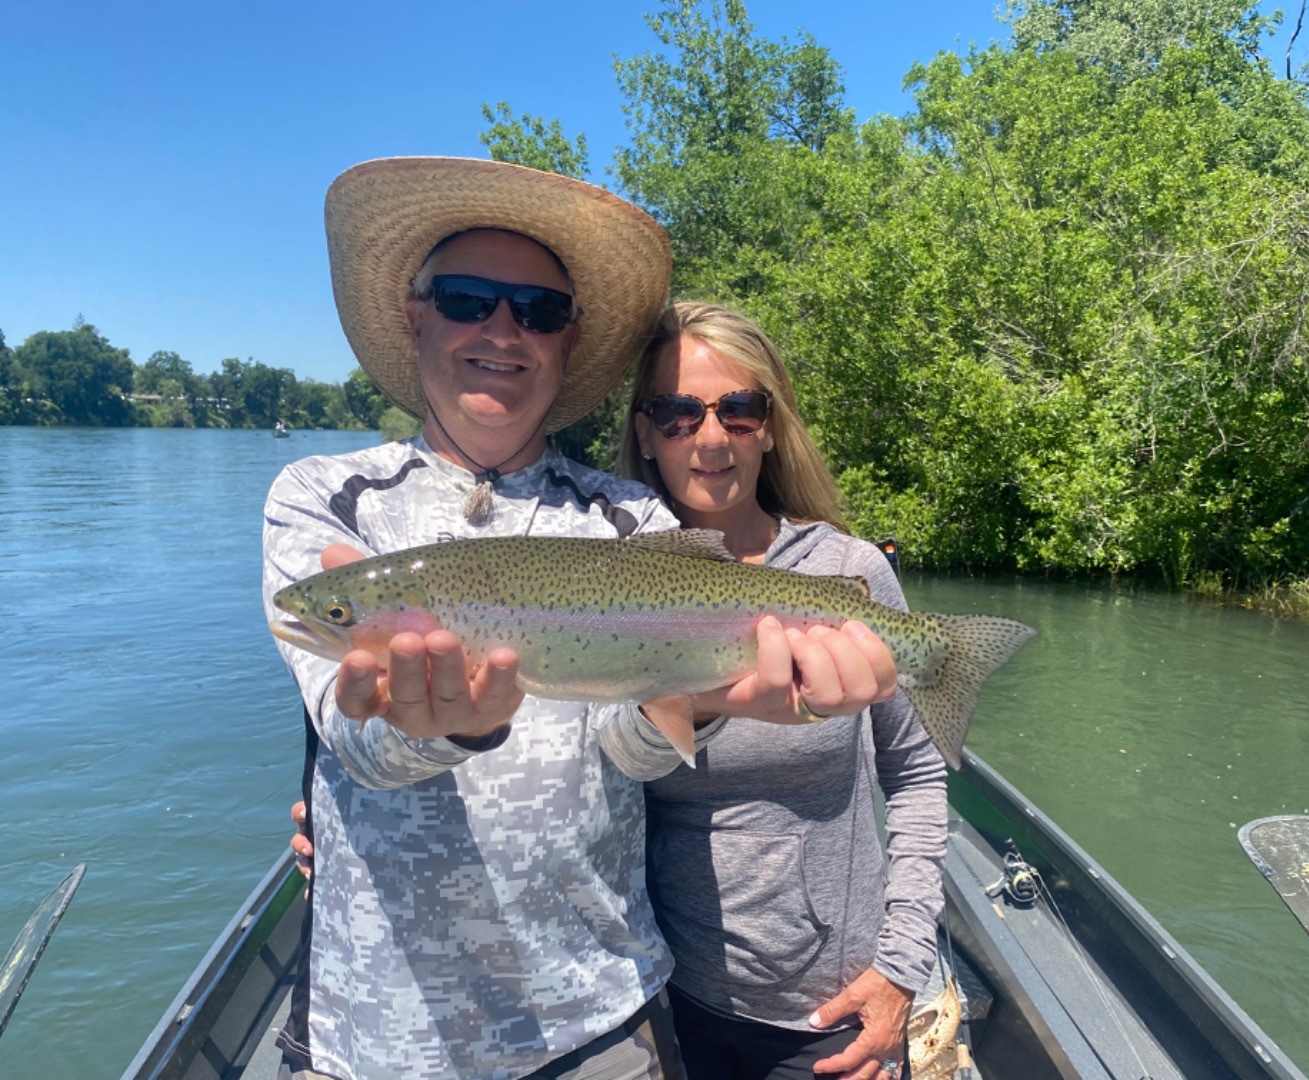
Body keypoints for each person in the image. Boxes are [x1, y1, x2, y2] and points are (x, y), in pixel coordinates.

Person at [264, 157, 900, 1080]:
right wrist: (435, 733)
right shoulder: (323, 500)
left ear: (568, 341)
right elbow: (349, 736)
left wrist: (703, 699)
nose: (502, 330)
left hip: (601, 1017)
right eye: (467, 297)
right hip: (381, 1036)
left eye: (539, 310)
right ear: (415, 314)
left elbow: (633, 751)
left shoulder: (628, 517)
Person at [596, 302, 948, 1080]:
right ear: (646, 431)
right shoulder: (606, 577)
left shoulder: (847, 572)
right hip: (660, 998)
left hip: (828, 1010)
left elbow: (919, 777)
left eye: (740, 409)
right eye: (679, 413)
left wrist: (900, 968)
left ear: (773, 424)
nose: (712, 437)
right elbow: (583, 756)